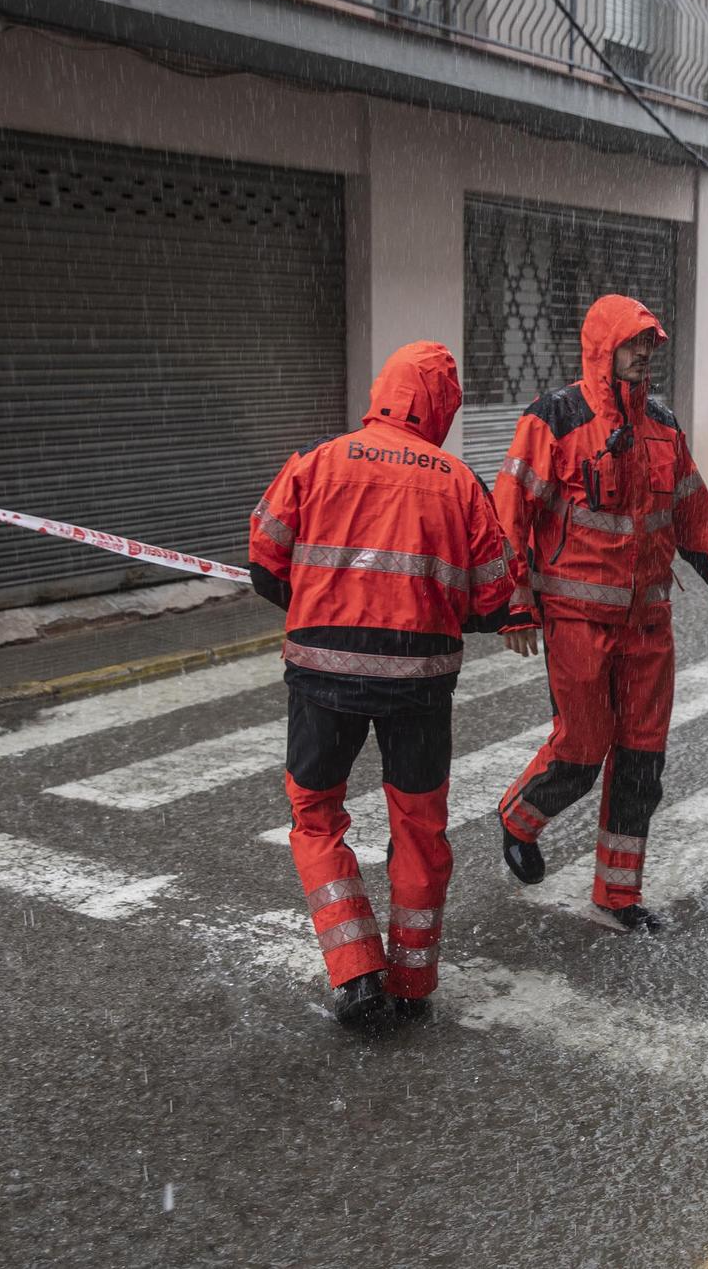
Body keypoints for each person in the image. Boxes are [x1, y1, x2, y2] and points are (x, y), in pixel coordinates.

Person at [248, 341, 521, 1027]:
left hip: (321, 678)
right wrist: (435, 608)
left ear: (383, 392)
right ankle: (411, 980)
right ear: (441, 407)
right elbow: (493, 598)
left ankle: (355, 972)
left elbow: (264, 557)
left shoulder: (317, 458)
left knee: (316, 817)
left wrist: (321, 609)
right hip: (418, 685)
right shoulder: (459, 482)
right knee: (420, 827)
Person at [492, 294, 708, 933]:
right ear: (602, 346)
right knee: (581, 753)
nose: (644, 355)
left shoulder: (663, 426)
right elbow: (510, 512)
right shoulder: (553, 418)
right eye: (633, 344)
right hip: (577, 621)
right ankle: (519, 817)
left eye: (650, 346)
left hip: (649, 625)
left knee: (642, 762)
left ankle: (618, 896)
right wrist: (515, 602)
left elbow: (693, 513)